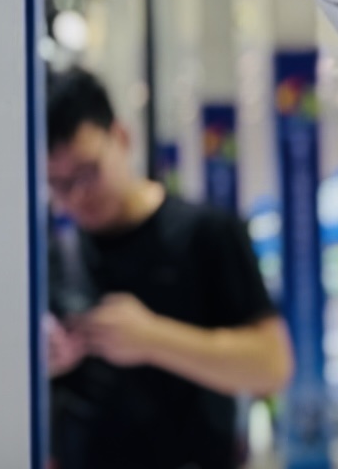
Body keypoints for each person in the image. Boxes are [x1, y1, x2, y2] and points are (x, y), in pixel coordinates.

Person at [46, 69, 293, 469]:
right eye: (58, 184)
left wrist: (152, 339)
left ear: (121, 138)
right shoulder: (53, 254)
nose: (76, 195)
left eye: (88, 172)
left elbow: (272, 366)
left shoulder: (208, 233)